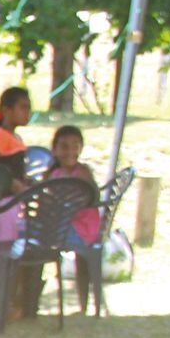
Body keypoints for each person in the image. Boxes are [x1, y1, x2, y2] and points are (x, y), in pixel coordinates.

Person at [44, 124, 107, 312]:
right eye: (64, 146)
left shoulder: (83, 172)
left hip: (82, 229)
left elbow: (93, 197)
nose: (70, 151)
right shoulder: (52, 174)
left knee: (37, 238)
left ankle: (84, 304)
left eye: (75, 146)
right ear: (54, 149)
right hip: (64, 226)